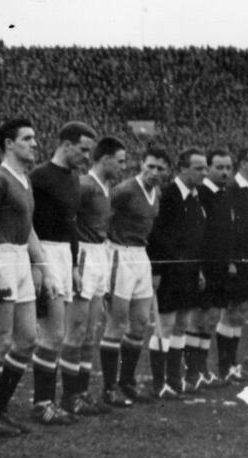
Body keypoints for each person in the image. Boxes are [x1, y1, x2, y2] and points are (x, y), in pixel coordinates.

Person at [0, 118, 59, 437]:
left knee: (27, 340)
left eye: (34, 137)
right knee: (1, 340)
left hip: (21, 256)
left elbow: (29, 228)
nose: (35, 143)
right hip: (0, 257)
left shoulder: (23, 179)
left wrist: (44, 268)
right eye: (27, 138)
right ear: (9, 144)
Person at [27, 122, 97, 420]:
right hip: (43, 252)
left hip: (65, 259)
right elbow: (26, 222)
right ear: (65, 144)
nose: (86, 157)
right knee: (51, 334)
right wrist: (36, 264)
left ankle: (52, 402)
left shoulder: (74, 180)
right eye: (82, 150)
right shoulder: (39, 176)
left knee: (59, 333)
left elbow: (71, 227)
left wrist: (74, 267)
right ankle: (42, 404)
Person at [99, 145, 171, 405]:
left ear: (166, 172)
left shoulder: (157, 193)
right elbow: (103, 218)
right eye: (150, 166)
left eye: (160, 168)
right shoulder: (125, 190)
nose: (154, 172)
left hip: (141, 256)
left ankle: (126, 381)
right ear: (141, 164)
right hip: (120, 253)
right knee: (116, 323)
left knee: (140, 322)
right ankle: (109, 389)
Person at [67, 136, 127, 409]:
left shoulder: (105, 186)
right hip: (84, 254)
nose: (123, 167)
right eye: (120, 161)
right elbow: (67, 219)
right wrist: (73, 262)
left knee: (91, 331)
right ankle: (70, 395)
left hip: (101, 254)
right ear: (105, 159)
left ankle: (82, 393)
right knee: (77, 329)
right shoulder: (84, 185)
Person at [148, 147, 209, 399]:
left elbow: (197, 238)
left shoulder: (195, 197)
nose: (203, 173)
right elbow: (157, 238)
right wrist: (158, 270)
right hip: (170, 271)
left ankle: (175, 380)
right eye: (198, 168)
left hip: (190, 271)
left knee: (182, 324)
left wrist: (200, 270)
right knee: (165, 325)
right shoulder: (168, 195)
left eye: (205, 168)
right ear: (183, 169)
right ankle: (159, 383)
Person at [216, 148, 248, 383]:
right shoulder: (233, 191)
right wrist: (231, 262)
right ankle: (225, 367)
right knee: (230, 313)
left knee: (237, 315)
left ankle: (232, 366)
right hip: (238, 263)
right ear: (243, 164)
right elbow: (225, 229)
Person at [186, 149, 236, 390]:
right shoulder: (201, 194)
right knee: (198, 320)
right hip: (204, 268)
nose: (225, 172)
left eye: (228, 167)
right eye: (219, 167)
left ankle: (202, 369)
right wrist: (199, 269)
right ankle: (192, 370)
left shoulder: (225, 194)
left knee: (211, 320)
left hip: (221, 269)